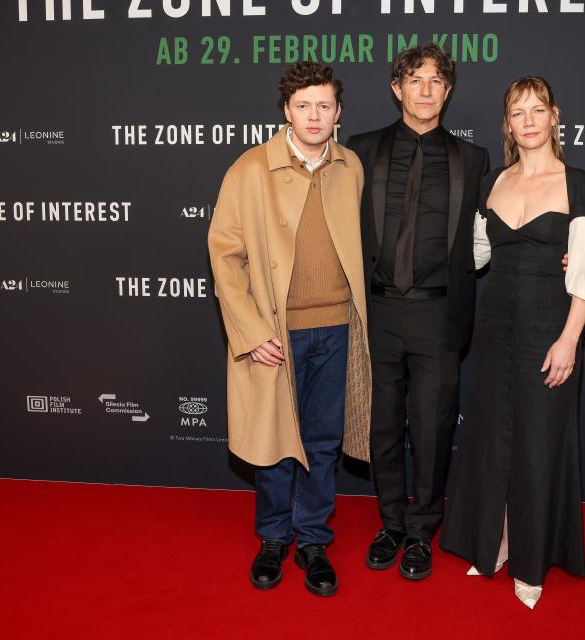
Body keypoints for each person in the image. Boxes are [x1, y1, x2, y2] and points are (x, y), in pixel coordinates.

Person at [440, 76, 585, 609]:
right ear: (508, 125)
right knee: (493, 437)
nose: (530, 120)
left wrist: (569, 340)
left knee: (538, 443)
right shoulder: (493, 181)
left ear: (555, 116)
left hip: (550, 328)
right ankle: (493, 542)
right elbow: (474, 256)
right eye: (519, 112)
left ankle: (531, 560)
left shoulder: (578, 183)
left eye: (539, 109)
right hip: (494, 330)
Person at [208, 61, 371, 598]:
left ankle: (313, 540)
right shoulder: (250, 169)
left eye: (324, 105)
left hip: (337, 327)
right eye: (304, 105)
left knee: (323, 442)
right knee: (277, 439)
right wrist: (251, 330)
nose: (314, 115)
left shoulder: (351, 167)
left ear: (338, 112)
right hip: (275, 333)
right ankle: (274, 537)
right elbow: (224, 255)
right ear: (286, 110)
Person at [345, 44, 490, 580]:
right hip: (377, 311)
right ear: (396, 88)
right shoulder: (360, 151)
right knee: (383, 426)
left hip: (439, 314)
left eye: (436, 81)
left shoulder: (472, 161)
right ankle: (391, 525)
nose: (425, 89)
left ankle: (423, 531)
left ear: (447, 92)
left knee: (430, 429)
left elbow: (493, 234)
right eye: (415, 79)